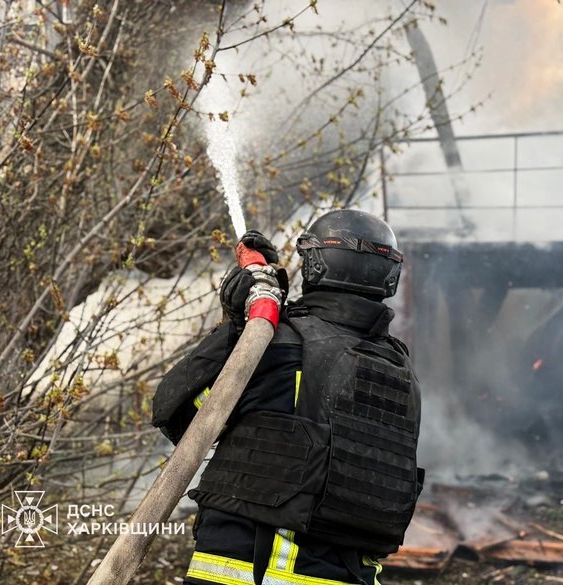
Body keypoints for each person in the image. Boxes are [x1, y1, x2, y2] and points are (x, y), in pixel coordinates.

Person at [151, 209, 423, 585]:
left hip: (250, 572)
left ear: (312, 264)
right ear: (388, 277)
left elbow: (178, 413)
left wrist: (237, 327)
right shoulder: (400, 372)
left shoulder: (278, 346)